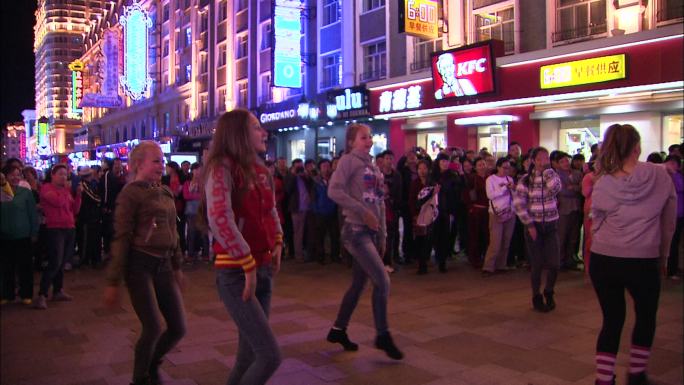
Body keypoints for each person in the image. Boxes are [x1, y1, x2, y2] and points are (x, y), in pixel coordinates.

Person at [589, 124, 676, 385]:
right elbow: (668, 221)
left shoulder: (604, 181)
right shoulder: (660, 176)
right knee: (646, 316)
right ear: (637, 147)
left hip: (605, 258)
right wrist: (664, 255)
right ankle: (637, 374)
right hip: (643, 258)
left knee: (612, 319)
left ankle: (604, 379)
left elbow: (597, 221)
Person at [202, 109, 283, 385]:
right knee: (269, 355)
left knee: (249, 356)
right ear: (239, 133)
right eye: (257, 127)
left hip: (262, 269)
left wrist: (278, 240)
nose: (264, 132)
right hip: (237, 273)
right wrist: (246, 261)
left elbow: (270, 208)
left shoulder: (260, 168)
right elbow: (219, 217)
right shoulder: (221, 167)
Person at [104, 141, 187, 385]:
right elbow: (121, 237)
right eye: (156, 161)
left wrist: (178, 266)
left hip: (164, 266)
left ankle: (152, 364)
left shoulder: (164, 192)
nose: (161, 165)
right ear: (138, 164)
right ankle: (139, 379)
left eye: (162, 160)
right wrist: (113, 281)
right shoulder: (130, 193)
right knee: (152, 327)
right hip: (139, 265)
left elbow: (174, 231)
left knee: (178, 327)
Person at [326, 123, 403, 360]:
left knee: (359, 284)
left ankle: (338, 330)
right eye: (363, 137)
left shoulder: (373, 166)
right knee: (382, 280)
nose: (368, 141)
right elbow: (334, 191)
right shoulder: (349, 161)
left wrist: (382, 235)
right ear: (351, 142)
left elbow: (379, 202)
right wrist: (362, 211)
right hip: (355, 230)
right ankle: (382, 335)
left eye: (369, 137)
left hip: (370, 232)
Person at [513, 147, 562, 313]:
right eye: (540, 158)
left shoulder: (551, 175)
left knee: (554, 263)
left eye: (546, 158)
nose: (543, 161)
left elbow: (555, 189)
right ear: (533, 160)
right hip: (534, 226)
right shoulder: (525, 180)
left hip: (551, 224)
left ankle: (549, 291)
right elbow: (519, 204)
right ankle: (536, 296)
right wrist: (529, 224)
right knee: (537, 264)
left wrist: (547, 172)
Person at [34, 164, 82, 309]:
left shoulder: (66, 191)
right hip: (55, 229)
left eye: (65, 174)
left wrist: (78, 195)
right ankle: (42, 294)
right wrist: (66, 189)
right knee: (55, 262)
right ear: (52, 175)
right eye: (60, 174)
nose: (64, 176)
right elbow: (58, 202)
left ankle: (58, 290)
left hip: (69, 227)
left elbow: (74, 209)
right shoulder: (47, 189)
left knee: (62, 262)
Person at [1, 166, 38, 305]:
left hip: (24, 235)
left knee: (25, 267)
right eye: (12, 175)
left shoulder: (25, 193)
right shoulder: (1, 192)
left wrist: (34, 232)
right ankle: (7, 294)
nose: (15, 178)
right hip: (5, 236)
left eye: (18, 175)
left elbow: (32, 213)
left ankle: (26, 294)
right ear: (5, 177)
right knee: (7, 267)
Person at [482, 158, 516, 276]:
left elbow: (514, 196)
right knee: (495, 242)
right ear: (498, 167)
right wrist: (504, 188)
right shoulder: (490, 180)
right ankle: (488, 266)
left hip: (509, 212)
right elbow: (490, 195)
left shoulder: (510, 179)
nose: (507, 170)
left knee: (506, 241)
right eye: (504, 167)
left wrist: (513, 189)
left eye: (509, 168)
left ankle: (501, 264)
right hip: (496, 213)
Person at [310, 158, 340, 264]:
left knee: (334, 235)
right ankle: (320, 256)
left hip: (333, 212)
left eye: (328, 166)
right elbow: (313, 198)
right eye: (324, 166)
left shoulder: (335, 179)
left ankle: (335, 256)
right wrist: (316, 210)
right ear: (320, 169)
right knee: (320, 236)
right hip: (320, 213)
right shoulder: (316, 181)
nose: (326, 169)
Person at [410, 160, 435, 274]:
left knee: (429, 239)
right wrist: (414, 214)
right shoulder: (415, 183)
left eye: (424, 168)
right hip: (419, 214)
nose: (422, 171)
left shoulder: (432, 183)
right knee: (420, 239)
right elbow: (412, 200)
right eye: (420, 168)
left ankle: (425, 259)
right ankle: (421, 263)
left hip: (431, 214)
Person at [183, 162, 209, 263]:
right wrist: (198, 196)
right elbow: (186, 196)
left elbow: (206, 196)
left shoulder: (205, 182)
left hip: (203, 210)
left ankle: (205, 254)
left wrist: (194, 195)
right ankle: (190, 254)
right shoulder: (187, 183)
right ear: (192, 171)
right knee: (191, 233)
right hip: (191, 211)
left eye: (200, 169)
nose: (198, 172)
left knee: (204, 233)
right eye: (196, 169)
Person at [77, 167, 102, 268]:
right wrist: (100, 200)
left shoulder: (89, 184)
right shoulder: (84, 185)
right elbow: (95, 198)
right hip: (87, 216)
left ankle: (92, 258)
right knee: (87, 239)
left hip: (92, 215)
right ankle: (86, 259)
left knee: (93, 238)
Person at [664, 155, 683, 280]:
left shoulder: (677, 175)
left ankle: (674, 268)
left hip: (679, 213)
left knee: (675, 243)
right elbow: (680, 187)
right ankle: (671, 270)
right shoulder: (670, 176)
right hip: (674, 214)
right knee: (672, 243)